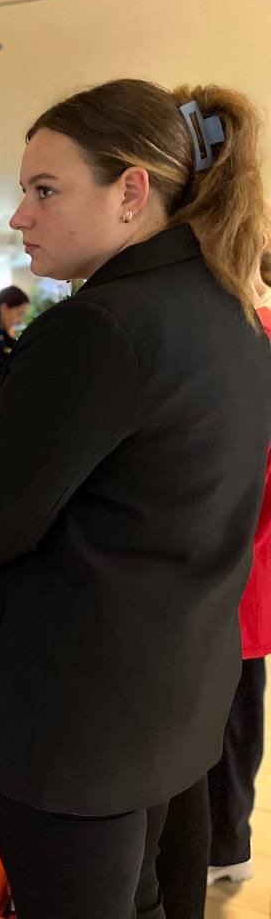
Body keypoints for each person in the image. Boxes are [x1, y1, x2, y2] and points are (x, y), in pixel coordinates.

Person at [0, 79, 271, 919]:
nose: (19, 216)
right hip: (171, 696)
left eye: (44, 190)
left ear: (131, 192)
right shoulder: (232, 317)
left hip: (73, 726)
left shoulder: (101, 327)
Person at [207, 249, 271, 889]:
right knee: (237, 713)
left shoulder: (255, 339)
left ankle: (225, 844)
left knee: (228, 718)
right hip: (240, 565)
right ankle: (228, 840)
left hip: (233, 566)